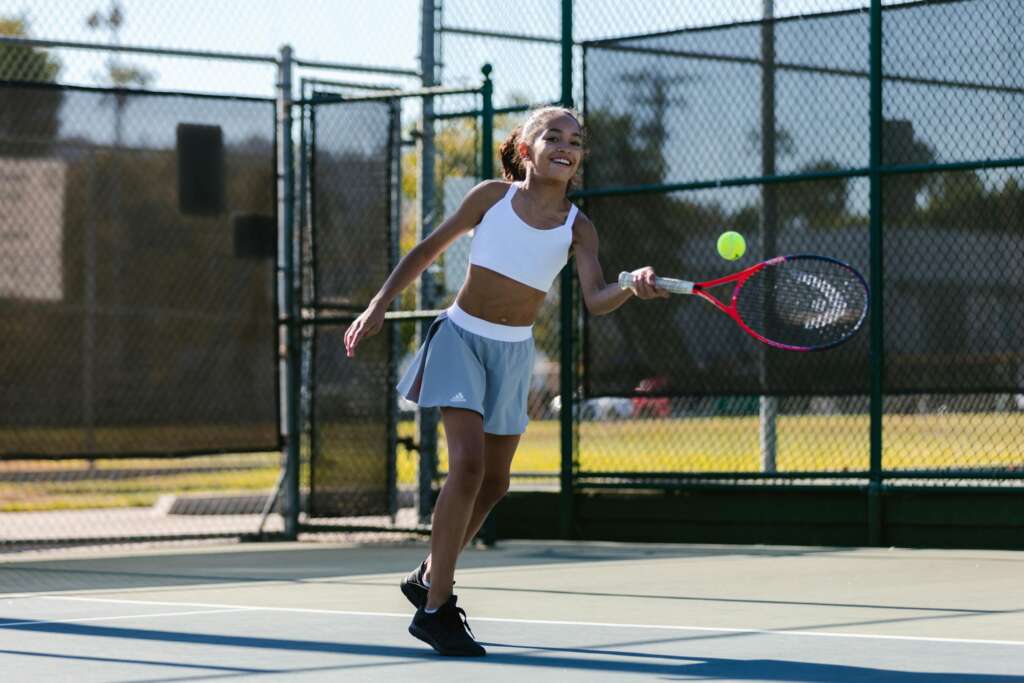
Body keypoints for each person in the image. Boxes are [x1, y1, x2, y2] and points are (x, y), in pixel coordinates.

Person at [343, 106, 666, 656]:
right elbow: (427, 250)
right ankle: (437, 608)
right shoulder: (492, 197)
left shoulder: (578, 226)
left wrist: (631, 286)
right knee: (467, 466)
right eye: (552, 135)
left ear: (580, 158)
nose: (566, 145)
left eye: (576, 141)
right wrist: (378, 305)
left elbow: (596, 299)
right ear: (525, 149)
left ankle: (428, 574)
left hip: (514, 355)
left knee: (495, 483)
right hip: (460, 339)